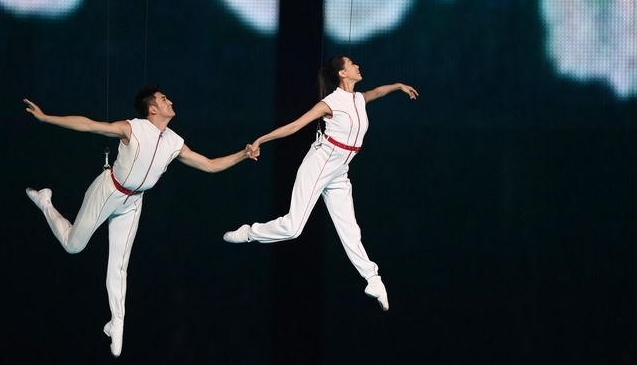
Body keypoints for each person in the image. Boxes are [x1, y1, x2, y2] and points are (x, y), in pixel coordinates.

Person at [24, 85, 252, 357]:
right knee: (74, 246)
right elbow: (88, 125)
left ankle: (116, 323)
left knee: (120, 265)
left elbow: (210, 165)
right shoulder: (132, 128)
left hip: (133, 203)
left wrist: (243, 154)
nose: (170, 101)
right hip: (110, 191)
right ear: (152, 109)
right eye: (164, 99)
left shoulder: (174, 142)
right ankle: (45, 202)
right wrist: (46, 118)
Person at [224, 56, 418, 311]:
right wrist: (261, 139)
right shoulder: (331, 103)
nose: (358, 66)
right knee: (293, 228)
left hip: (340, 170)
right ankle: (250, 233)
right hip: (320, 163)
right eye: (352, 64)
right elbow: (295, 126)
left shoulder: (359, 99)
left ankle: (373, 278)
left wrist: (398, 86)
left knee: (350, 229)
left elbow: (377, 92)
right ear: (342, 73)